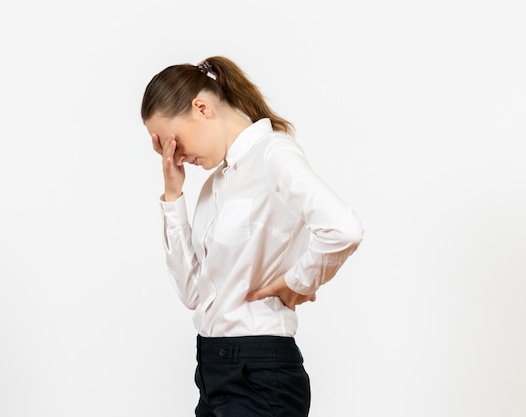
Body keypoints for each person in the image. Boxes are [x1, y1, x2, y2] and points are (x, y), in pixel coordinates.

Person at [140, 56, 364, 417]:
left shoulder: (274, 154)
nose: (174, 155)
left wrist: (299, 281)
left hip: (259, 374)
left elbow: (343, 229)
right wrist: (172, 196)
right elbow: (193, 294)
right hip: (212, 371)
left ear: (201, 108)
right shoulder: (214, 187)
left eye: (172, 141)